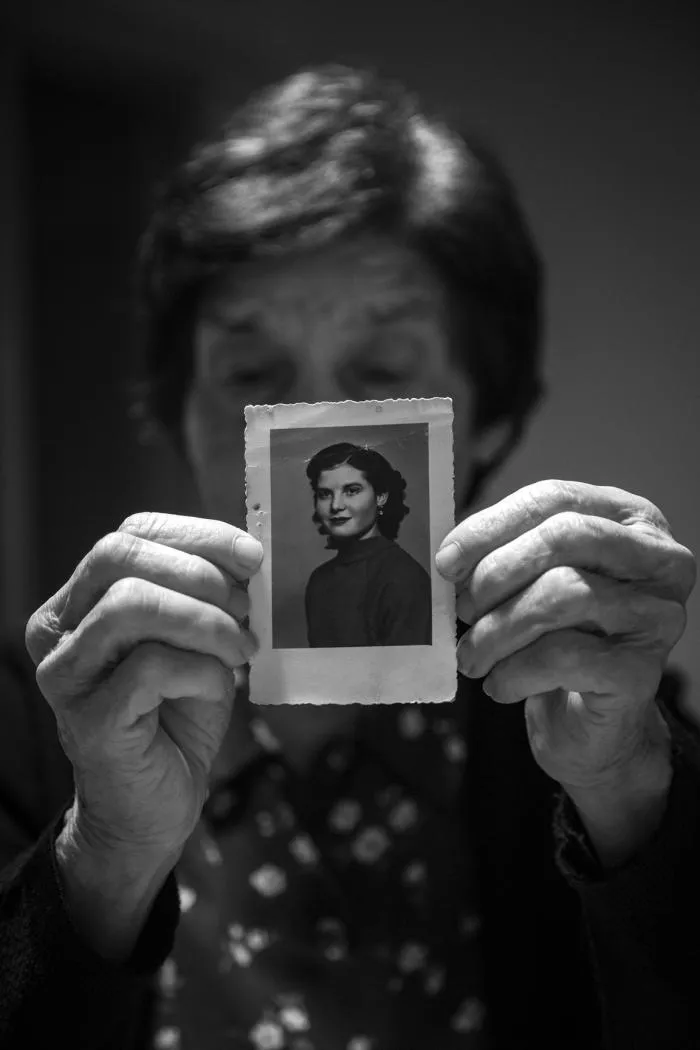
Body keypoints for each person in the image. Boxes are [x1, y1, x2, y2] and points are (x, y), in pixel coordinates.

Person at [0, 63, 698, 1050]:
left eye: (381, 369)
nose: (314, 425)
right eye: (250, 370)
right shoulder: (41, 711)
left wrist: (631, 792)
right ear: (175, 410)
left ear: (487, 418)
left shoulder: (591, 703)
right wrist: (105, 851)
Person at [304, 442, 432, 647]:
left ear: (380, 497)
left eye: (352, 491)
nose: (336, 505)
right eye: (325, 494)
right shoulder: (320, 579)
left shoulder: (405, 578)